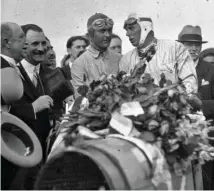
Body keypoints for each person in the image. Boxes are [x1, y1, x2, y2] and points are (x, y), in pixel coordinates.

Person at [119, 13, 197, 94]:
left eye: (131, 28)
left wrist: (174, 98)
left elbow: (190, 82)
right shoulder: (125, 60)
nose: (127, 34)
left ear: (145, 28)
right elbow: (123, 92)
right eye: (127, 30)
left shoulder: (175, 48)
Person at [177, 25, 214, 190]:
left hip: (207, 135)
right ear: (180, 46)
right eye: (188, 44)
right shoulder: (172, 69)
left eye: (197, 45)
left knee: (206, 180)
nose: (193, 48)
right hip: (180, 135)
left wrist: (198, 107)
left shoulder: (211, 70)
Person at [71, 13, 122, 94]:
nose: (107, 35)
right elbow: (82, 99)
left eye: (109, 30)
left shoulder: (120, 58)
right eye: (102, 31)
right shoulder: (79, 64)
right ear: (90, 35)